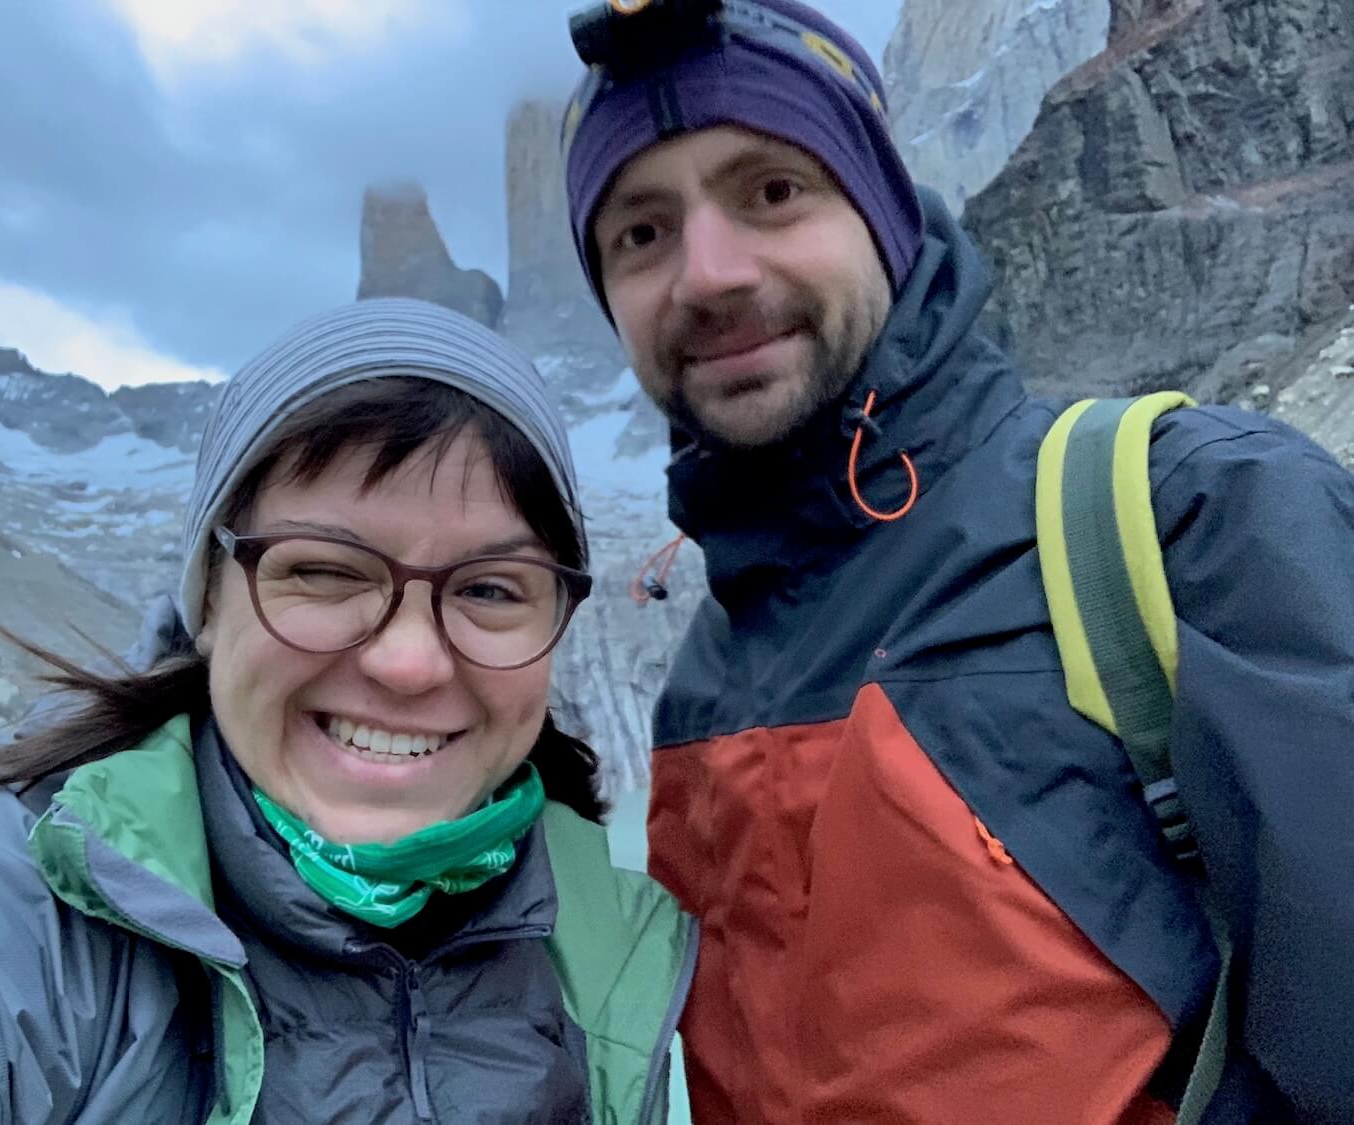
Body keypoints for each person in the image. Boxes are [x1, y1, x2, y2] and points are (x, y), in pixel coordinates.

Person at [559, 1, 1354, 1121]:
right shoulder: (704, 681)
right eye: (640, 233)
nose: (710, 274)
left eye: (773, 191)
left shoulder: (1191, 515)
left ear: (885, 216)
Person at [0, 298, 696, 1124]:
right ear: (208, 600)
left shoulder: (620, 935)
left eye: (488, 589)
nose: (408, 662)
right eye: (325, 572)